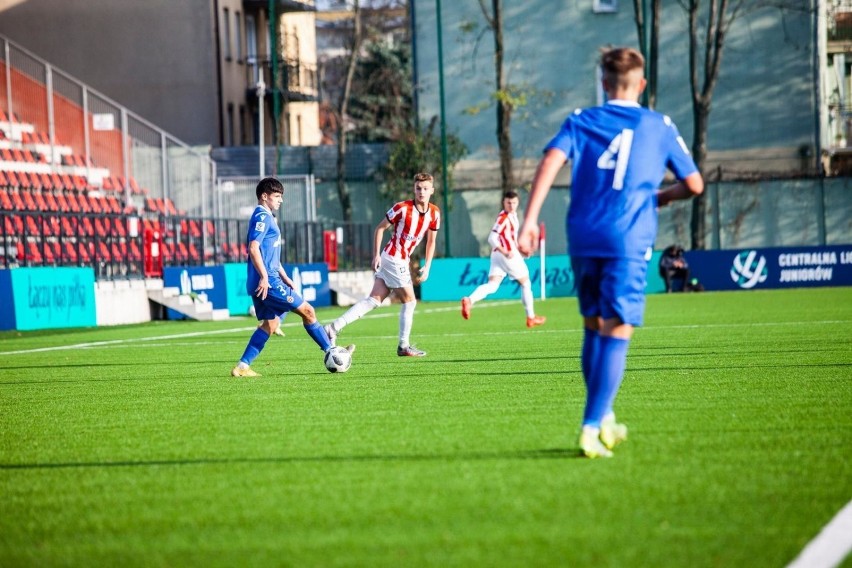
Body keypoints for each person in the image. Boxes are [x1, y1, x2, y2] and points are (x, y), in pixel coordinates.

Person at [517, 47, 704, 458]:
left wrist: (529, 221)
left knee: (592, 325)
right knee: (617, 328)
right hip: (627, 237)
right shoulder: (658, 125)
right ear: (641, 84)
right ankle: (589, 426)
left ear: (603, 83)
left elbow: (551, 159)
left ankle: (603, 418)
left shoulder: (581, 120)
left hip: (583, 234)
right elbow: (694, 184)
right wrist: (661, 198)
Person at [232, 177, 352, 377]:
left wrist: (284, 275)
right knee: (308, 311)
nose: (281, 200)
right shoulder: (262, 216)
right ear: (264, 196)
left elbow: (267, 253)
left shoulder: (267, 216)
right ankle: (331, 350)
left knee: (270, 324)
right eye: (277, 196)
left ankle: (242, 367)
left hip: (265, 279)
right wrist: (265, 276)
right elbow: (253, 248)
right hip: (267, 281)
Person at [324, 173, 440, 357]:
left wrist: (428, 266)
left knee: (373, 300)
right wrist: (376, 255)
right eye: (418, 188)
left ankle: (332, 328)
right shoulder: (402, 208)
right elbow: (380, 228)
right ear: (414, 189)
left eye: (425, 188)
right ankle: (403, 346)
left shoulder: (434, 213)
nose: (421, 192)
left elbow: (431, 242)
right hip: (393, 258)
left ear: (432, 190)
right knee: (410, 301)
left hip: (399, 259)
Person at [461, 191, 546, 327]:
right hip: (506, 255)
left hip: (498, 255)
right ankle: (531, 317)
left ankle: (470, 300)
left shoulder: (513, 216)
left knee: (493, 286)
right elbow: (492, 238)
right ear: (504, 203)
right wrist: (506, 252)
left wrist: (521, 251)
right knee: (525, 283)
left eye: (514, 203)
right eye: (508, 203)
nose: (511, 205)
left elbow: (510, 239)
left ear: (517, 203)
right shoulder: (504, 218)